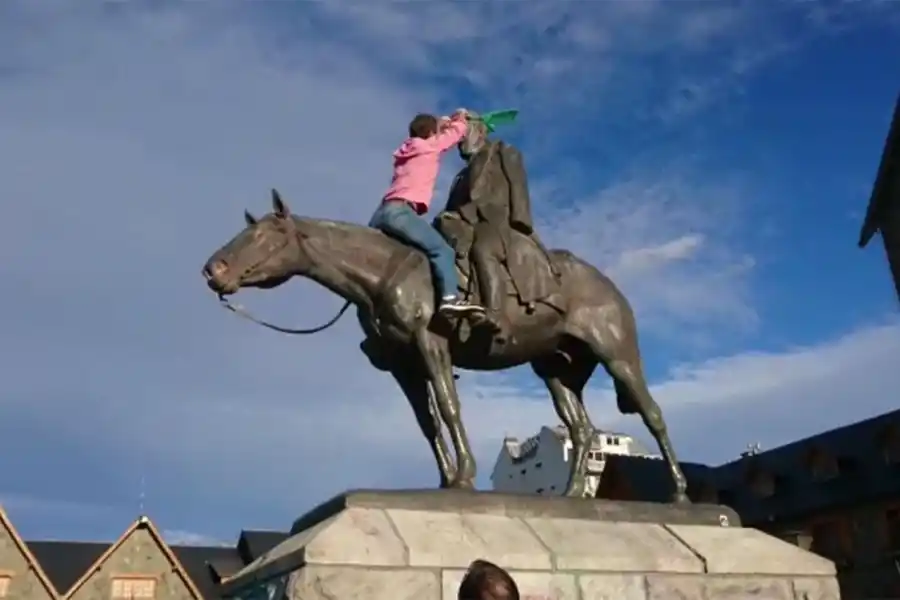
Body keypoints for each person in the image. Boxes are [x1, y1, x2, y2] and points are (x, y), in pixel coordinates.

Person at [370, 110, 485, 316]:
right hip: (401, 212)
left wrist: (439, 124)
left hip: (381, 213)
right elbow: (454, 135)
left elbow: (429, 135)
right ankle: (449, 298)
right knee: (442, 251)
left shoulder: (407, 150)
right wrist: (460, 118)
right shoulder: (428, 147)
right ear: (431, 132)